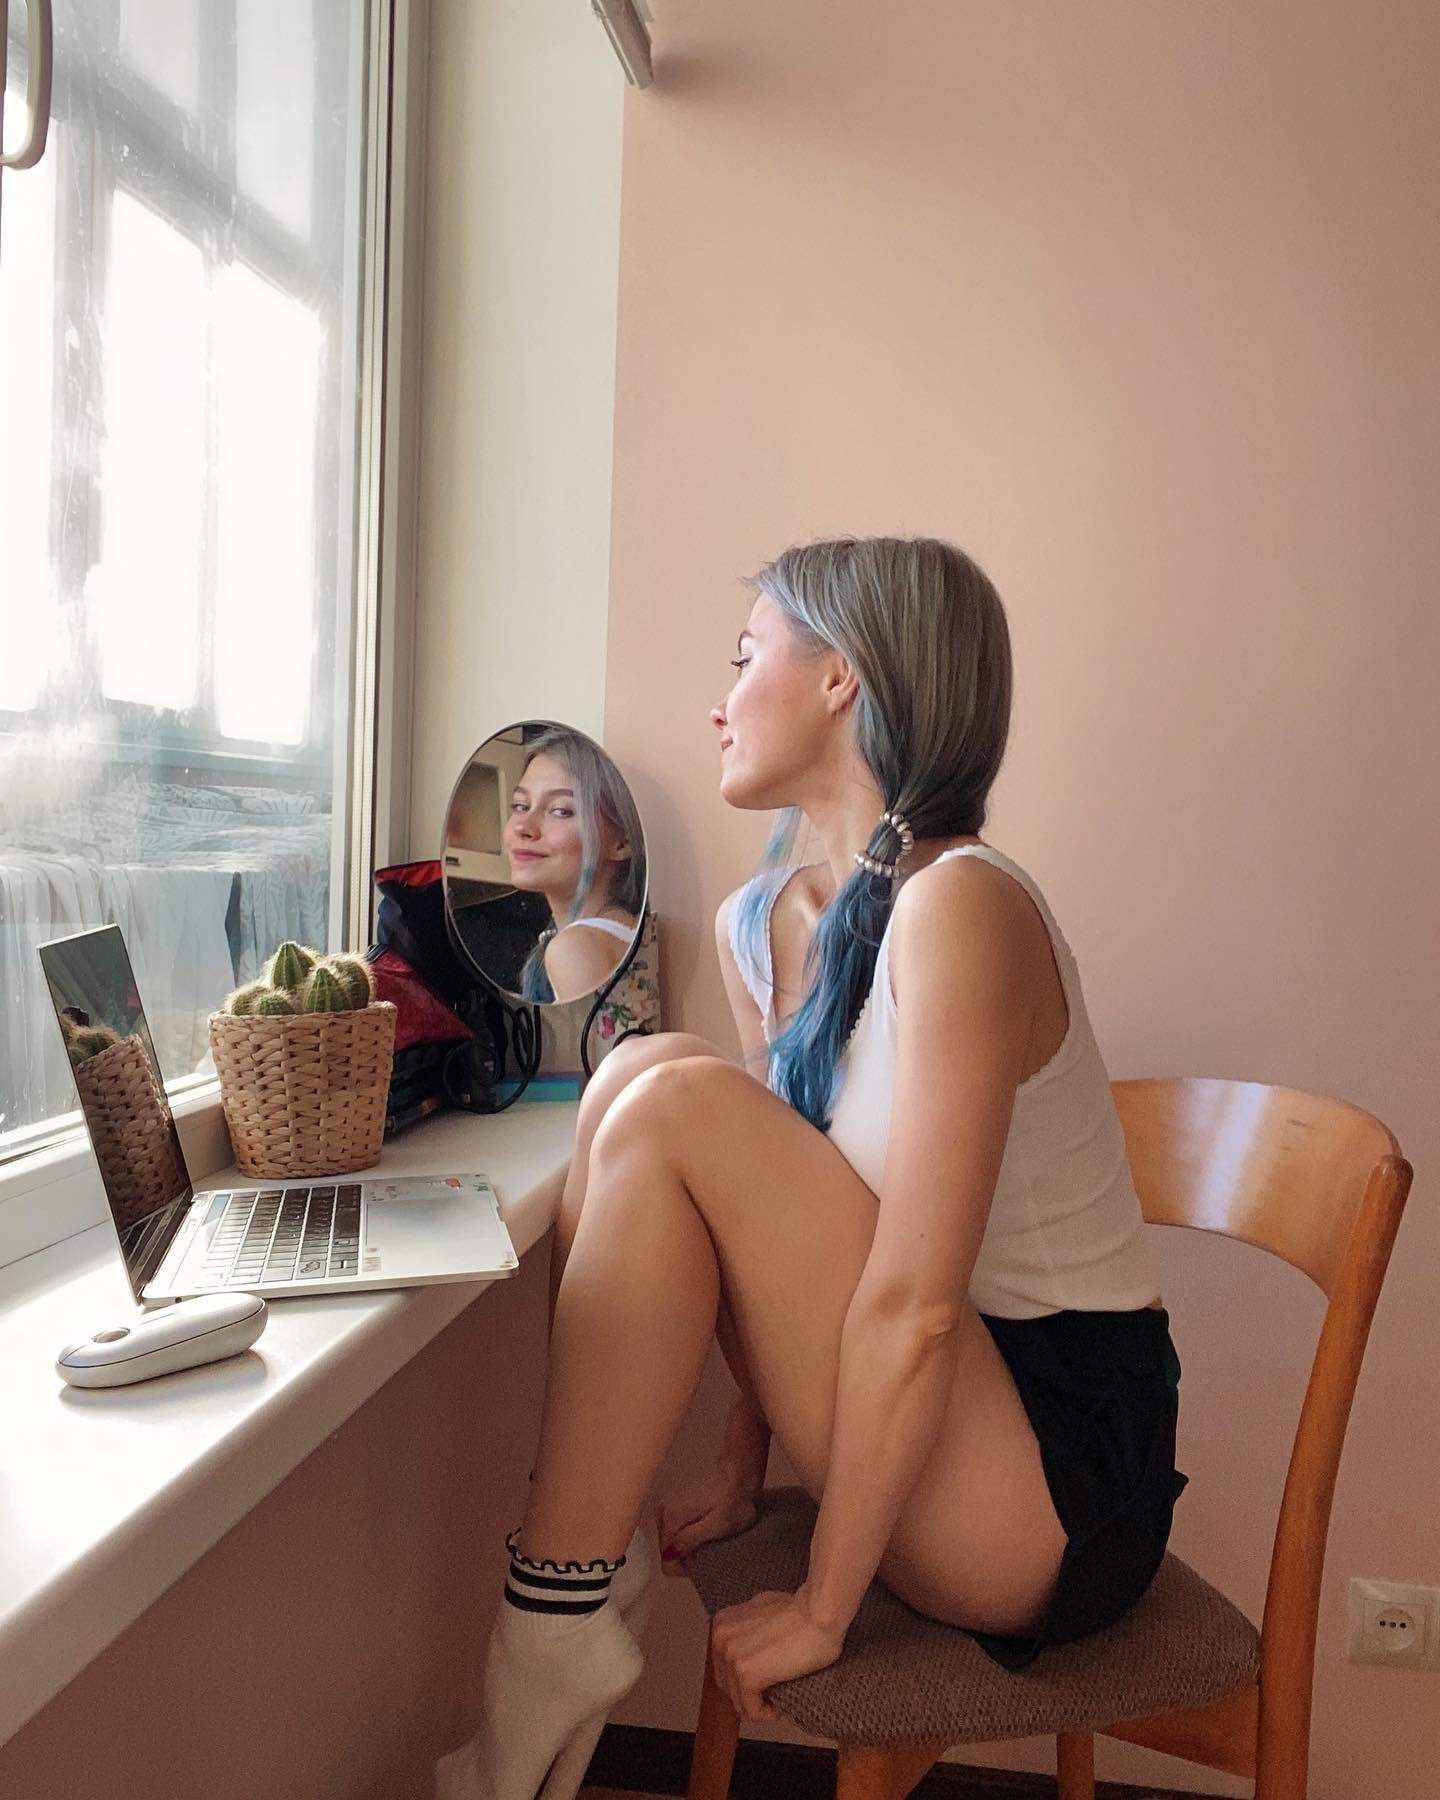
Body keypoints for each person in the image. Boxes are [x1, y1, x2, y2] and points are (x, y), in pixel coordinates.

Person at [435, 536, 1185, 1800]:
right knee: (639, 1075)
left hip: (1058, 1483)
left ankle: (551, 1623)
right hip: (942, 1422)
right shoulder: (773, 923)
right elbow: (776, 1248)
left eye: (747, 658)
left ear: (843, 678)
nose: (720, 702)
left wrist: (824, 1607)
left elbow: (915, 1301)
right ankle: (574, 1584)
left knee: (674, 1098)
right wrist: (743, 1470)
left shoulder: (964, 908)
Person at [505, 728, 644, 1005]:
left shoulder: (574, 947)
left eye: (561, 811)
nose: (523, 827)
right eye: (520, 805)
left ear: (622, 842)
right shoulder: (621, 931)